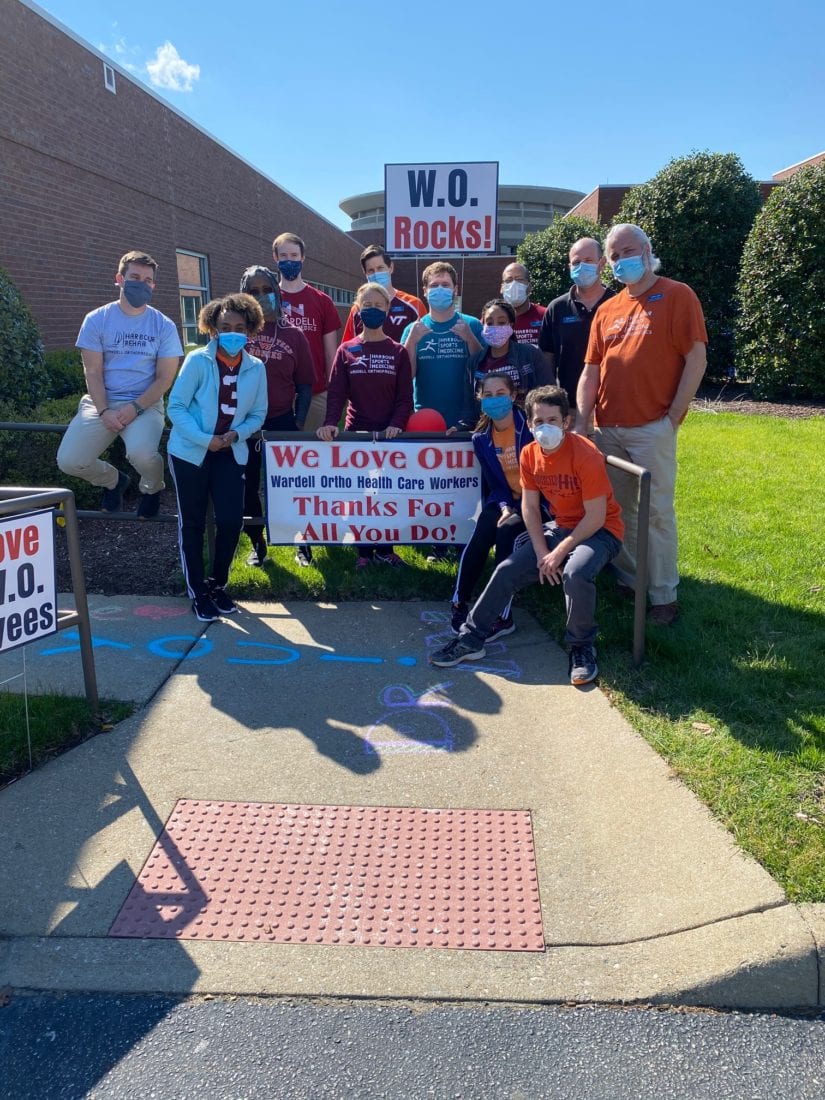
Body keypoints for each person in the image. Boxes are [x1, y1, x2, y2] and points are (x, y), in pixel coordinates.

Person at [431, 385, 623, 686]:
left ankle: (581, 647)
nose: (546, 427)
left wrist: (558, 553)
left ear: (566, 422)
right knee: (506, 569)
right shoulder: (529, 454)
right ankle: (470, 639)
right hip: (560, 527)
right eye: (539, 421)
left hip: (600, 532)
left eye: (553, 420)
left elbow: (596, 516)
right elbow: (530, 507)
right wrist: (542, 550)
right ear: (530, 424)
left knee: (575, 572)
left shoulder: (586, 454)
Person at [576, 223, 707, 626]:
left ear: (648, 251)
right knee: (619, 510)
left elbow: (696, 358)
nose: (621, 261)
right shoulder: (608, 309)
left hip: (652, 427)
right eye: (614, 256)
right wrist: (582, 422)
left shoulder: (677, 295)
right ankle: (632, 579)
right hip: (608, 428)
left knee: (656, 513)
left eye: (628, 252)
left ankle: (664, 595)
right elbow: (590, 371)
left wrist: (673, 417)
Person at [57, 250, 182, 516]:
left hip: (145, 404)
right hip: (100, 403)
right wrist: (104, 411)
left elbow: (165, 378)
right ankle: (114, 481)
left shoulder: (164, 325)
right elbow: (92, 372)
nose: (141, 284)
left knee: (142, 455)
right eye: (134, 277)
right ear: (119, 279)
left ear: (153, 285)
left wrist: (135, 407)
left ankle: (152, 488)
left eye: (147, 280)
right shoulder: (96, 319)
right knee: (69, 461)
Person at [167, 294, 267, 622]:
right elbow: (176, 407)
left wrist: (236, 434)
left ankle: (217, 584)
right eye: (225, 327)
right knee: (193, 523)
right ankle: (197, 592)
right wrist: (205, 439)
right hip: (190, 452)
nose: (233, 333)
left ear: (250, 330)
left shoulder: (256, 368)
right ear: (213, 328)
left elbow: (258, 414)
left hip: (230, 452)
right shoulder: (197, 361)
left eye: (240, 327)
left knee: (230, 520)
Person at [317, 282, 413, 567]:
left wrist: (396, 424)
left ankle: (385, 549)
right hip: (356, 435)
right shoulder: (346, 350)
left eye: (378, 305)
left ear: (387, 309)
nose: (372, 309)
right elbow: (336, 394)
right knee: (361, 495)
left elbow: (405, 398)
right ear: (358, 309)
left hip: (389, 436)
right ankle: (363, 553)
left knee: (386, 494)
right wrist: (330, 423)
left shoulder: (398, 352)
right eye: (367, 305)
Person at [273, 231, 342, 565]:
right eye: (283, 256)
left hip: (314, 395)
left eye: (294, 256)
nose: (289, 261)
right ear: (275, 259)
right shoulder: (266, 297)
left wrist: (332, 395)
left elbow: (332, 354)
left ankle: (312, 534)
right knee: (281, 470)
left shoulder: (321, 301)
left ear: (303, 258)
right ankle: (285, 532)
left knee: (314, 467)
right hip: (275, 399)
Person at [239, 266, 314, 568]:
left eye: (267, 290)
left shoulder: (294, 335)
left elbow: (305, 385)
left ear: (278, 293)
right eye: (253, 291)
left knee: (291, 486)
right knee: (247, 487)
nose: (261, 296)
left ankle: (302, 543)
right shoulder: (236, 333)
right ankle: (257, 543)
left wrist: (297, 422)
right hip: (244, 426)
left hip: (282, 420)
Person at [449, 372, 535, 639]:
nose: (494, 400)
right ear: (480, 398)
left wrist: (519, 508)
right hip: (509, 500)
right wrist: (506, 506)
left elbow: (544, 479)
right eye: (488, 395)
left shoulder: (530, 428)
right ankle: (460, 601)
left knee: (506, 533)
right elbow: (495, 485)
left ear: (513, 396)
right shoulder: (481, 439)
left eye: (500, 394)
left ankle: (502, 615)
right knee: (485, 525)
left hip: (537, 502)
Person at [401, 261, 484, 431]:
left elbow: (484, 369)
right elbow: (406, 377)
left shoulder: (472, 324)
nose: (440, 289)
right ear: (425, 291)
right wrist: (412, 341)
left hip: (466, 421)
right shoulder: (412, 329)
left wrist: (470, 338)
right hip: (426, 420)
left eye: (445, 285)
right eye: (434, 285)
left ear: (455, 290)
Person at [539, 237, 615, 411]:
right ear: (570, 267)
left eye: (588, 261)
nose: (582, 266)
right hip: (570, 409)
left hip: (612, 408)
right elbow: (547, 358)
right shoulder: (557, 308)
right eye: (576, 262)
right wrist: (554, 401)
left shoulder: (619, 304)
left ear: (602, 263)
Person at [466, 298, 549, 400]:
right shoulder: (474, 362)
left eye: (501, 322)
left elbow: (548, 392)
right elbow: (469, 403)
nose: (495, 327)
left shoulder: (531, 354)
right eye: (490, 323)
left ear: (511, 325)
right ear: (483, 326)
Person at [341, 245, 425, 342]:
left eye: (380, 268)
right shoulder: (357, 309)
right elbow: (347, 346)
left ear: (391, 267)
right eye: (371, 270)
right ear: (365, 274)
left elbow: (426, 343)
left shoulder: (414, 304)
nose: (376, 274)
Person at [500, 261, 546, 349]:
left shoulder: (545, 315)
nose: (513, 285)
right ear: (502, 288)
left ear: (529, 287)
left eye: (519, 280)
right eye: (508, 280)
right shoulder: (492, 319)